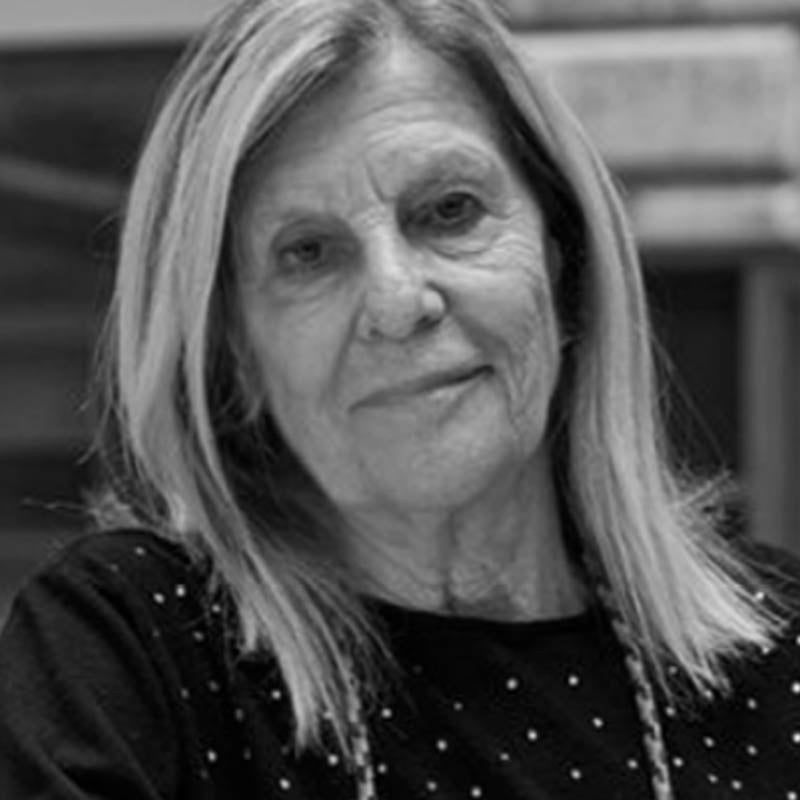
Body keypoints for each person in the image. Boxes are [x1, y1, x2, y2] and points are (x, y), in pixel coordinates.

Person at [1, 0, 800, 797]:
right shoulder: (131, 652)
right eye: (308, 253)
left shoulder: (780, 654)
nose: (396, 301)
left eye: (449, 211)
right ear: (235, 350)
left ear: (564, 262)